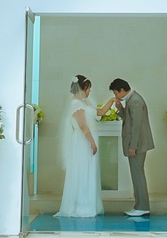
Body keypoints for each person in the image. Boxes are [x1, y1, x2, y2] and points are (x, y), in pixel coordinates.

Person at [57, 74, 103, 218]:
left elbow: (99, 112)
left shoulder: (86, 102)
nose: (89, 92)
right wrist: (92, 142)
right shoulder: (76, 104)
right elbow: (82, 125)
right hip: (82, 141)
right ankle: (81, 207)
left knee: (89, 171)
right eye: (88, 89)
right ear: (82, 88)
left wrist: (112, 101)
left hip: (87, 139)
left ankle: (89, 205)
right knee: (82, 171)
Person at [108, 78, 154, 216]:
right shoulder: (132, 99)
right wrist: (120, 109)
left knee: (138, 175)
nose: (116, 96)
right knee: (136, 175)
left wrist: (133, 146)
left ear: (122, 90)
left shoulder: (135, 101)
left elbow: (136, 126)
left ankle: (142, 207)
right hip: (137, 144)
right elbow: (130, 119)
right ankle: (139, 205)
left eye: (116, 93)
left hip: (138, 144)